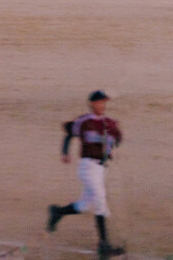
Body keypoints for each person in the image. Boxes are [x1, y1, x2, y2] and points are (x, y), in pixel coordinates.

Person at [47, 90, 124, 258]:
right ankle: (104, 246)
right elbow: (69, 134)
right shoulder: (84, 121)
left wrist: (114, 137)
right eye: (100, 102)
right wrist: (65, 152)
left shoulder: (109, 122)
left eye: (104, 102)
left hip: (101, 169)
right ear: (92, 104)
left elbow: (118, 140)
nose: (102, 105)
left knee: (84, 205)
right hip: (88, 167)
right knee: (100, 201)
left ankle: (57, 212)